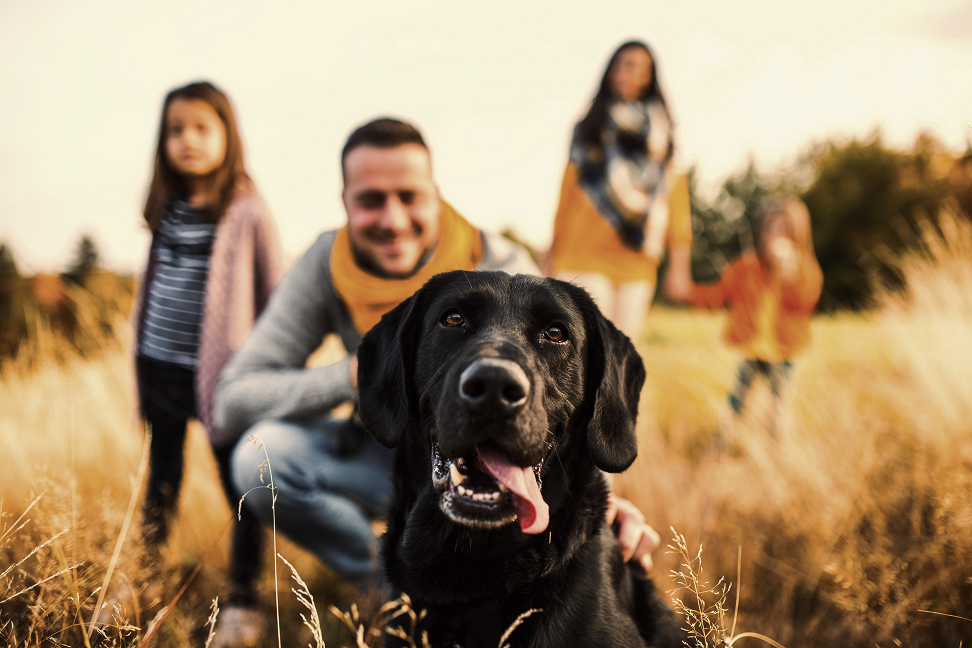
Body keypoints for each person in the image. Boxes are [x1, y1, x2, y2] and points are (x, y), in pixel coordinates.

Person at [213, 118, 663, 641]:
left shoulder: (499, 263)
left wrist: (601, 501)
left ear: (436, 195)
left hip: (507, 452)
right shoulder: (325, 264)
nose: (394, 218)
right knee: (258, 455)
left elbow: (565, 392)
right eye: (371, 199)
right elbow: (232, 399)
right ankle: (400, 586)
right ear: (344, 200)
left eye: (410, 196)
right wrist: (352, 376)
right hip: (393, 446)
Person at [133, 81, 283, 630]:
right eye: (175, 130)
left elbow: (277, 294)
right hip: (159, 367)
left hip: (225, 380)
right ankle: (144, 577)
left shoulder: (247, 209)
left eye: (201, 128)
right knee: (160, 482)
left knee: (242, 485)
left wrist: (267, 370)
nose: (187, 140)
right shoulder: (166, 208)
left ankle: (244, 599)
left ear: (227, 135)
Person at [549, 40, 693, 341]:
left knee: (621, 353)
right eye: (625, 64)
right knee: (586, 346)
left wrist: (679, 266)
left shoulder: (662, 136)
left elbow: (675, 200)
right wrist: (551, 251)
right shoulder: (589, 128)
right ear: (611, 71)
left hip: (637, 259)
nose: (631, 73)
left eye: (642, 68)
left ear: (650, 78)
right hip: (583, 253)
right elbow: (568, 193)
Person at [686, 196, 822, 434]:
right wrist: (687, 293)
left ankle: (778, 446)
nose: (776, 236)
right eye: (770, 229)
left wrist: (790, 272)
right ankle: (722, 441)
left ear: (798, 233)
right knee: (737, 399)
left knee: (780, 405)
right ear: (760, 232)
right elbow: (718, 295)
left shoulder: (804, 268)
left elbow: (805, 302)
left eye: (784, 230)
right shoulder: (746, 267)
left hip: (785, 352)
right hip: (753, 349)